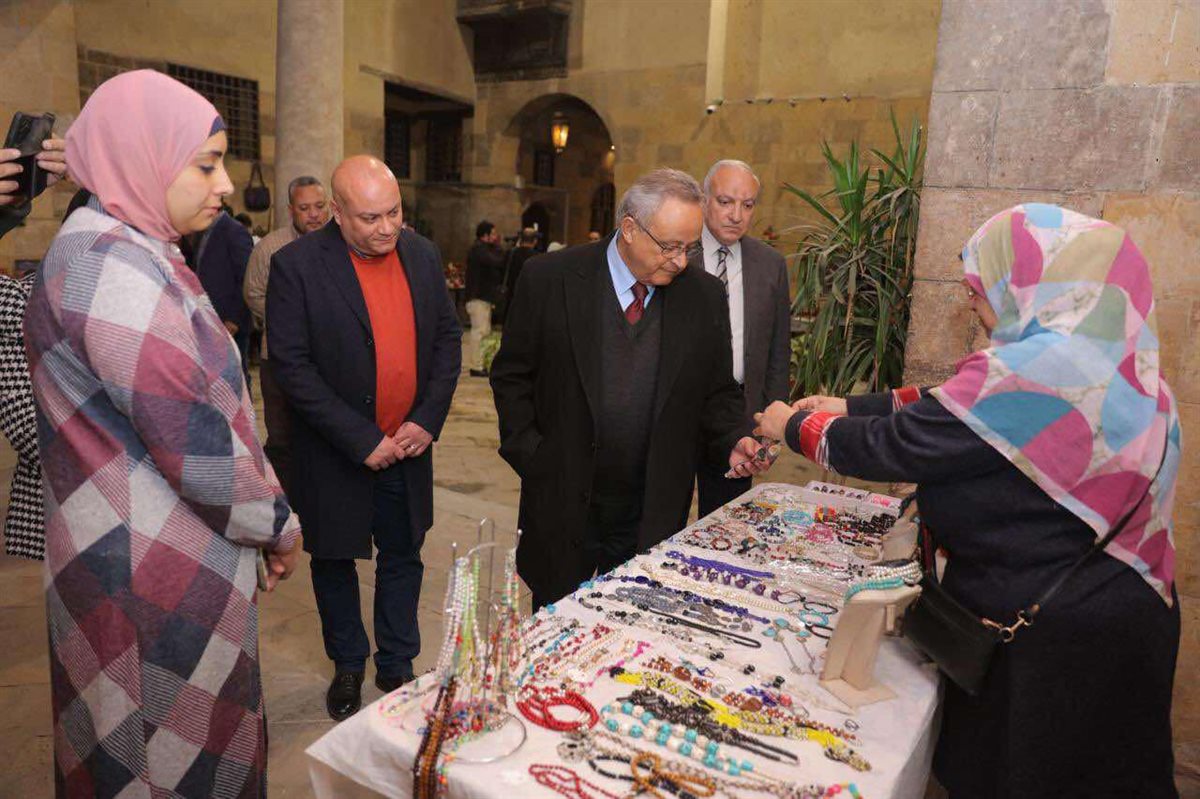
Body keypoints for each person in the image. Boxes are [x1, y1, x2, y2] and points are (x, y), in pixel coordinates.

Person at [756, 204, 1181, 798]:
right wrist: (848, 405)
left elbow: (899, 444)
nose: (974, 304)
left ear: (1034, 281)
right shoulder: (1116, 367)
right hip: (1122, 618)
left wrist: (791, 425)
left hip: (1056, 645)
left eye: (982, 289)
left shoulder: (1036, 371)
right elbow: (953, 406)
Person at [24, 70, 301, 798]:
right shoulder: (107, 265)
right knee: (162, 760)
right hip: (145, 569)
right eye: (206, 164)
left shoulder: (132, 245)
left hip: (150, 551)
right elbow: (194, 441)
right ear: (141, 155)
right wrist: (276, 523)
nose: (227, 185)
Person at [491, 168, 771, 609]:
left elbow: (718, 391)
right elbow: (512, 376)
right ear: (629, 228)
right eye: (669, 246)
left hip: (651, 509)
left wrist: (732, 438)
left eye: (689, 247)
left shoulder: (703, 296)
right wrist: (534, 457)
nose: (680, 261)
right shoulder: (549, 278)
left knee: (635, 629)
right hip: (563, 502)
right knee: (556, 627)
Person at [267, 155, 462, 720]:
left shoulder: (421, 254)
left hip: (409, 445)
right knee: (334, 559)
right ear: (337, 212)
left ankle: (397, 664)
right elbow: (292, 367)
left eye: (394, 212)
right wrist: (359, 438)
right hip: (335, 450)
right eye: (371, 218)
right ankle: (348, 663)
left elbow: (447, 341)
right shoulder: (297, 265)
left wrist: (426, 419)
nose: (387, 228)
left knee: (404, 555)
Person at [690, 159, 791, 516]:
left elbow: (778, 351)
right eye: (725, 202)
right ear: (704, 200)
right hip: (677, 415)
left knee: (725, 522)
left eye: (747, 205)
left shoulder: (770, 264)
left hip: (739, 420)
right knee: (662, 524)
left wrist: (771, 424)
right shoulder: (677, 254)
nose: (736, 215)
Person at [244, 174, 330, 494]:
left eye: (319, 206)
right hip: (279, 357)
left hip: (329, 357)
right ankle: (283, 504)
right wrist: (293, 318)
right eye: (305, 208)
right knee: (282, 437)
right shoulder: (271, 247)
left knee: (323, 435)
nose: (314, 214)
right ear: (291, 209)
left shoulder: (343, 242)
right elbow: (253, 294)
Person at [194, 207, 254, 380]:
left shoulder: (234, 231)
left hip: (229, 323)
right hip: (210, 320)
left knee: (235, 378)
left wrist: (234, 319)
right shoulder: (203, 232)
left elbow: (246, 277)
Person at [464, 220, 504, 377]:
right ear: (485, 235)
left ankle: (481, 363)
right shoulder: (478, 250)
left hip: (483, 297)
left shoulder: (484, 249)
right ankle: (476, 365)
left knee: (484, 331)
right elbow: (496, 261)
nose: (495, 236)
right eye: (493, 233)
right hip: (477, 298)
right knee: (479, 332)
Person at [504, 226, 539, 305]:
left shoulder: (510, 253)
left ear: (520, 239)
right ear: (535, 241)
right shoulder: (537, 257)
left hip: (510, 296)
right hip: (528, 298)